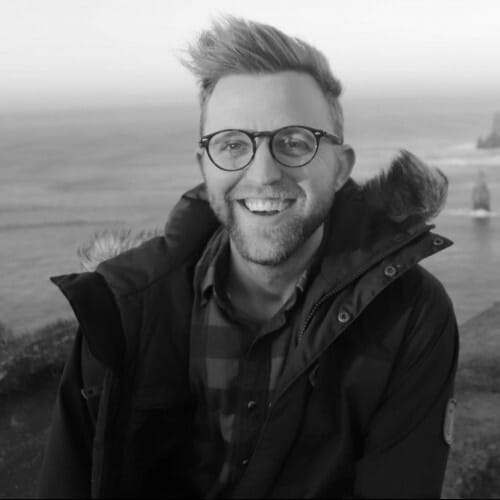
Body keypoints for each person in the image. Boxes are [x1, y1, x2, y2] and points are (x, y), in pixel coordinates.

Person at [38, 16, 459, 499]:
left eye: (296, 142)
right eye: (233, 144)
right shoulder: (120, 310)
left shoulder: (410, 316)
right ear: (204, 165)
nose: (262, 174)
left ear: (341, 168)